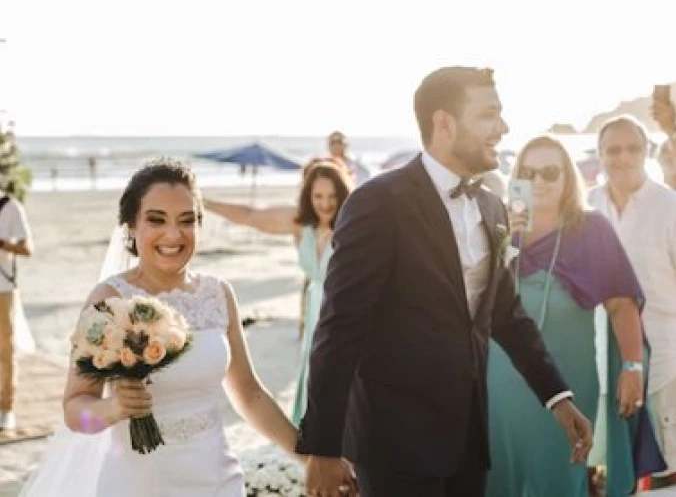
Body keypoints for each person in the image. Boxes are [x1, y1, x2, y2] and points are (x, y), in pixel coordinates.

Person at [295, 66, 593, 497]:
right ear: (444, 124)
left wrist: (557, 398)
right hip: (393, 447)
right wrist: (323, 449)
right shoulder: (377, 203)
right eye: (489, 115)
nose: (503, 127)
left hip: (469, 442)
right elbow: (339, 329)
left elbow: (506, 315)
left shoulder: (492, 208)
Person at [21, 158, 300, 496]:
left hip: (217, 479)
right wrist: (111, 409)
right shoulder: (109, 299)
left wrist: (308, 457)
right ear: (131, 226)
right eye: (156, 220)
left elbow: (250, 395)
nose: (173, 234)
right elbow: (75, 412)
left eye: (187, 220)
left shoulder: (218, 293)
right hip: (139, 484)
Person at [486, 135, 664, 496]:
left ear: (568, 177)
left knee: (560, 479)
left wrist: (632, 367)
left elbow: (620, 302)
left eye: (550, 172)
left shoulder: (591, 228)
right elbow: (473, 299)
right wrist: (504, 244)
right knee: (498, 482)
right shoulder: (498, 227)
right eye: (529, 172)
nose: (539, 182)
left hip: (568, 384)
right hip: (498, 383)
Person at [203, 159, 353, 426]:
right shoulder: (300, 224)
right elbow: (250, 215)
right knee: (315, 375)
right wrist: (203, 201)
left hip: (344, 313)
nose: (326, 204)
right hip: (314, 313)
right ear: (308, 196)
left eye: (332, 196)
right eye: (318, 196)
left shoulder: (352, 224)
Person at [589, 116, 676, 490]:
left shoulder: (669, 207)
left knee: (664, 464)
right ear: (600, 154)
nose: (623, 157)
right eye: (613, 149)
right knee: (605, 460)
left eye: (633, 148)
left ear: (647, 152)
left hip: (663, 356)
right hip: (597, 357)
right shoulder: (587, 205)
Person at [0, 188, 33, 431]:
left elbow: (27, 248)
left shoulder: (10, 207)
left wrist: (2, 243)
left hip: (3, 287)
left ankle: (6, 407)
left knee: (5, 348)